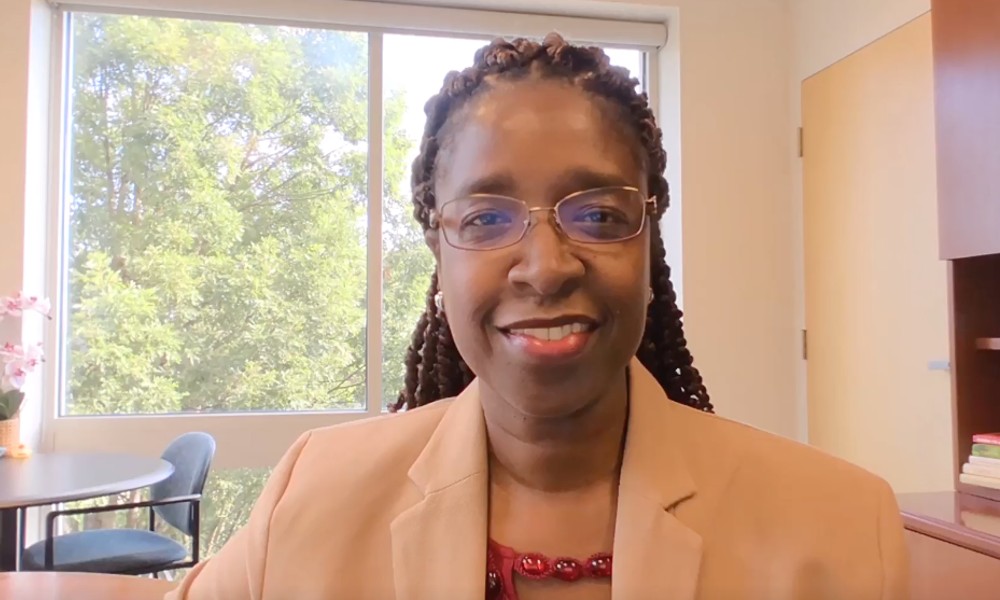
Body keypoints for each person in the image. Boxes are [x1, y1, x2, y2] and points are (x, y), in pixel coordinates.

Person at [165, 33, 908, 600]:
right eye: (487, 219)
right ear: (438, 245)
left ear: (648, 237)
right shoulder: (312, 496)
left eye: (597, 214)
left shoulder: (840, 525)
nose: (547, 265)